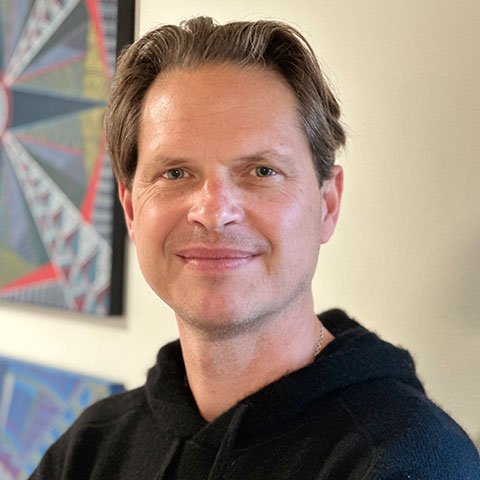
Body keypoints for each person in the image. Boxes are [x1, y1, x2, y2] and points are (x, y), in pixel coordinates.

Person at [30, 16, 479, 480]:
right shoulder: (89, 448)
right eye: (175, 173)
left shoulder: (407, 460)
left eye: (262, 171)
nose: (213, 211)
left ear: (327, 204)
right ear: (129, 211)